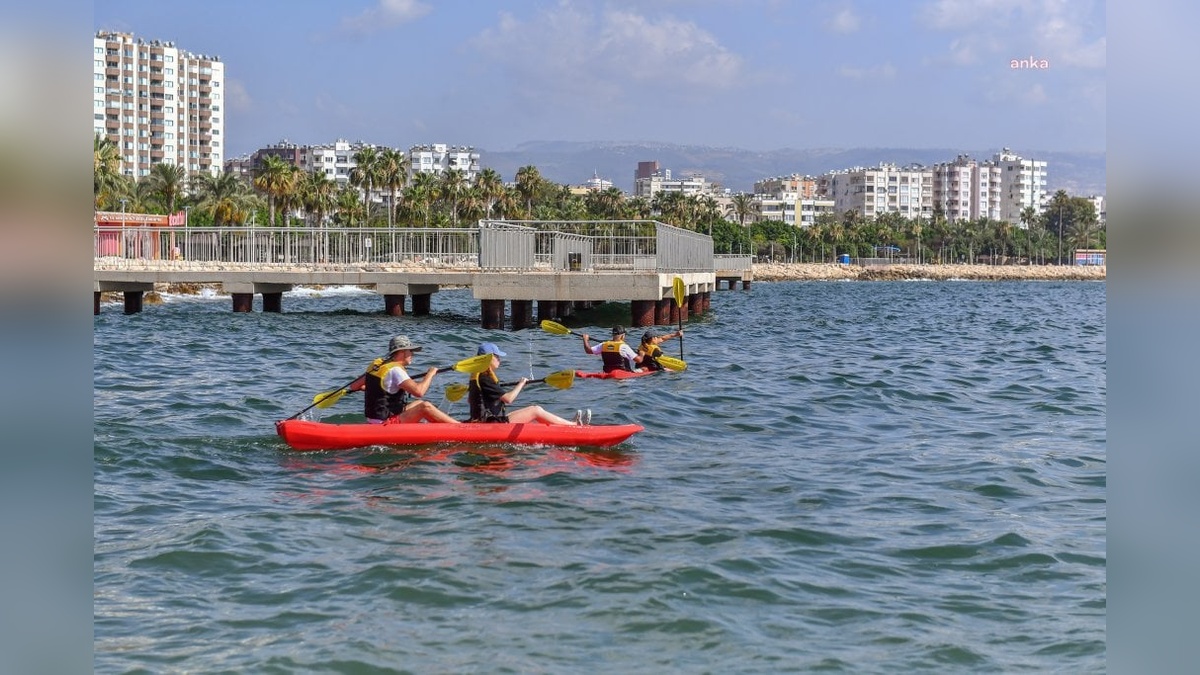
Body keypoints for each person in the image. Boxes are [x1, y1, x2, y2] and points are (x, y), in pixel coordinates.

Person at [349, 335, 459, 424]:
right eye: (410, 351)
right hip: (386, 422)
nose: (412, 354)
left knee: (418, 403)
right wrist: (430, 374)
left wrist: (377, 389)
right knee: (425, 406)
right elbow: (419, 392)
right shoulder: (396, 370)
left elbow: (354, 386)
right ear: (402, 352)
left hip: (375, 418)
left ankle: (440, 427)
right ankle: (459, 428)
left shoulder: (377, 365)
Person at [468, 342, 580, 425]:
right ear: (488, 358)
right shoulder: (485, 377)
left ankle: (562, 427)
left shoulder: (477, 376)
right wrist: (521, 383)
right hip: (489, 424)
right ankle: (573, 425)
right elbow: (509, 399)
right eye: (497, 356)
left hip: (488, 420)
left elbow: (472, 400)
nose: (499, 360)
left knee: (531, 410)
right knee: (535, 410)